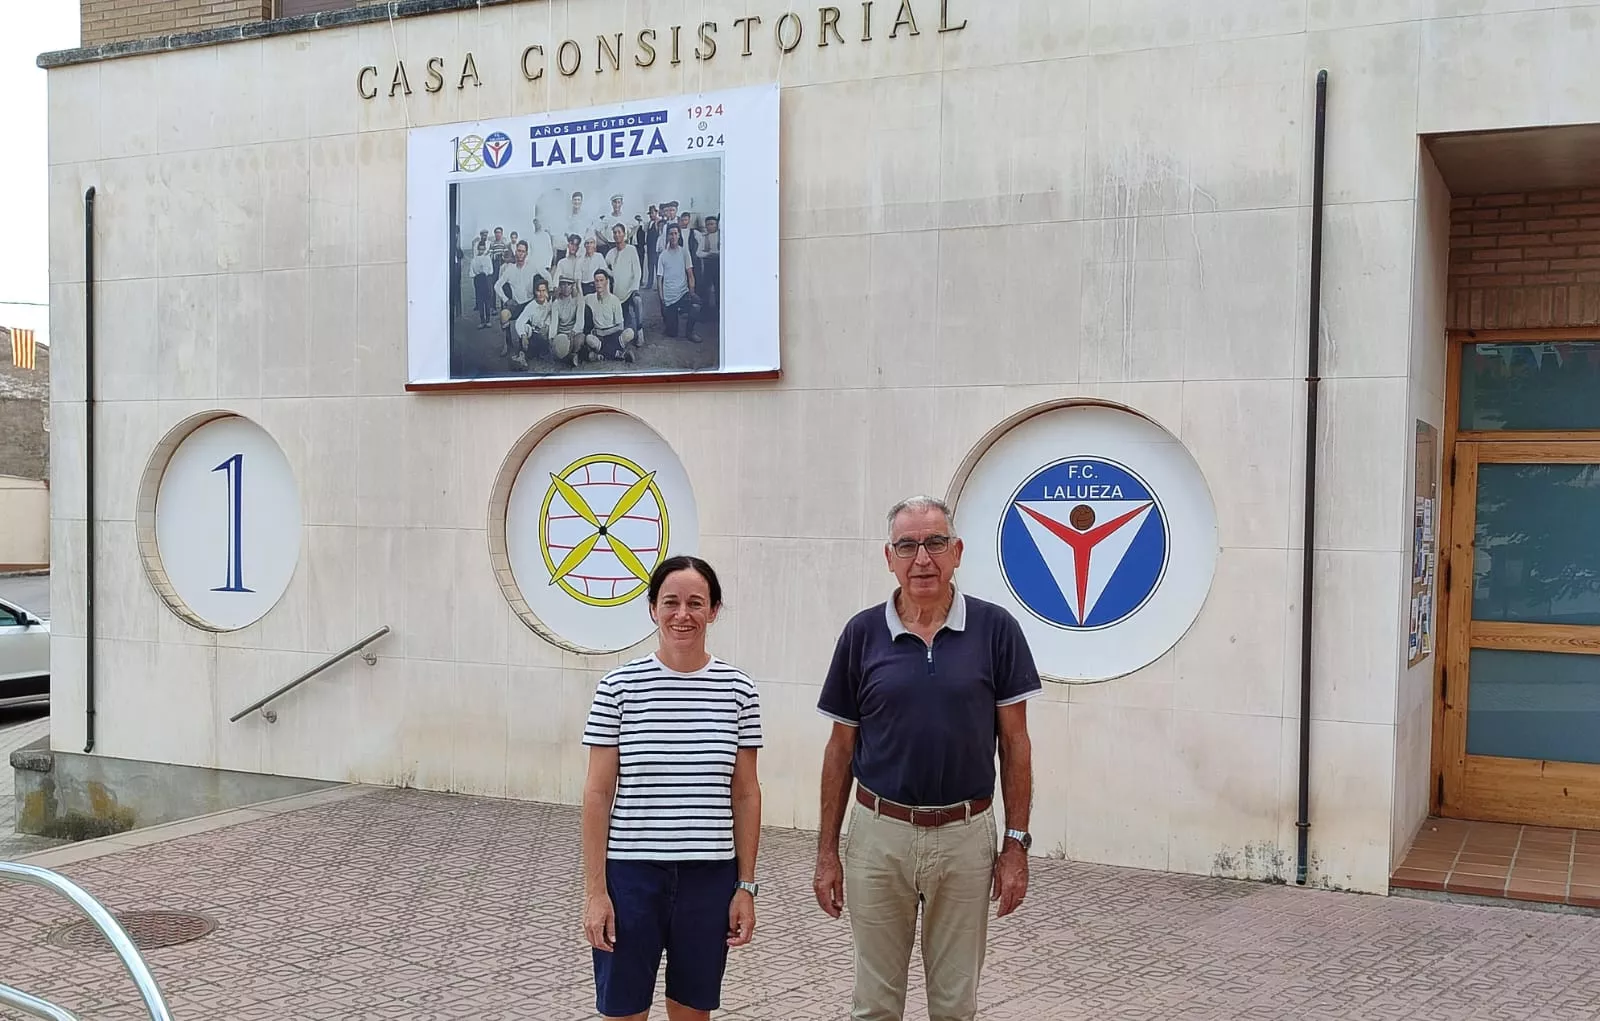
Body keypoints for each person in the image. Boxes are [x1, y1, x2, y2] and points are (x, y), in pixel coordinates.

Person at [813, 495, 1041, 1021]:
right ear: (888, 557)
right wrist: (827, 852)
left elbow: (1016, 745)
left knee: (956, 1006)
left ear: (957, 551)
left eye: (935, 543)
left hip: (966, 838)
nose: (923, 558)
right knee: (874, 1004)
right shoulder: (861, 634)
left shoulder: (996, 629)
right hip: (878, 835)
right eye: (908, 545)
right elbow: (839, 748)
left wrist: (1016, 845)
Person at [582, 556, 764, 1021]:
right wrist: (596, 892)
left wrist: (745, 886)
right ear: (652, 609)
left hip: (708, 879)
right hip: (632, 877)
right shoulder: (618, 688)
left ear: (714, 610)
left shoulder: (738, 690)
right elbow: (597, 795)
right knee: (624, 1010)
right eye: (671, 602)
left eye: (696, 603)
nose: (683, 614)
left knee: (691, 1011)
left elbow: (745, 794)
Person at [656, 224, 698, 343]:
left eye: (675, 233)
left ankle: (689, 332)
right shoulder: (663, 255)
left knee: (696, 305)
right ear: (668, 236)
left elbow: (690, 274)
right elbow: (659, 279)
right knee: (672, 333)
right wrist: (662, 299)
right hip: (669, 297)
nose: (673, 236)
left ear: (679, 235)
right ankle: (670, 323)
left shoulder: (684, 252)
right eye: (671, 234)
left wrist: (692, 292)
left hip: (683, 293)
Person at [586, 268, 637, 363]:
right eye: (596, 281)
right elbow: (578, 299)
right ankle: (619, 354)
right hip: (600, 338)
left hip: (614, 335)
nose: (598, 283)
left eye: (601, 280)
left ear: (607, 282)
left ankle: (601, 355)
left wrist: (604, 332)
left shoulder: (615, 300)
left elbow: (620, 326)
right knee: (589, 339)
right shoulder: (589, 298)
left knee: (629, 333)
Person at [608, 223, 645, 346]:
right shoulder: (611, 253)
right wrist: (611, 274)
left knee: (638, 302)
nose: (617, 235)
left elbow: (637, 271)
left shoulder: (631, 250)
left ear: (624, 234)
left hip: (631, 291)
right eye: (615, 232)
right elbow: (604, 268)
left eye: (619, 232)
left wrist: (635, 289)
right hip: (618, 294)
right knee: (624, 328)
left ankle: (640, 331)